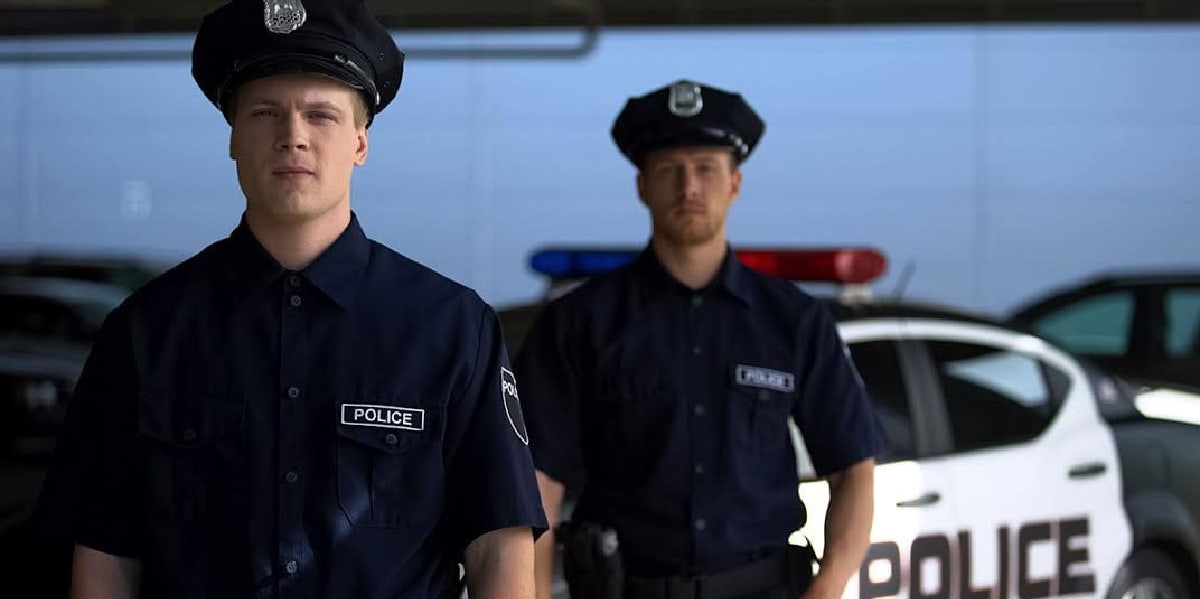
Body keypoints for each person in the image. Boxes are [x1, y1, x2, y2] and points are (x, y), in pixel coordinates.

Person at [31, 0, 546, 597]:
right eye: (266, 113)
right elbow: (105, 555)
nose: (292, 136)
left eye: (320, 115)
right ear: (232, 140)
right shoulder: (146, 331)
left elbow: (497, 547)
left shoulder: (453, 327)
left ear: (359, 144)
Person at [514, 80, 883, 599]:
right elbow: (537, 487)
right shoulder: (578, 323)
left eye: (706, 169)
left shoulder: (794, 320)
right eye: (669, 171)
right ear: (642, 185)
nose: (689, 188)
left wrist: (827, 589)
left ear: (734, 183)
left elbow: (853, 471)